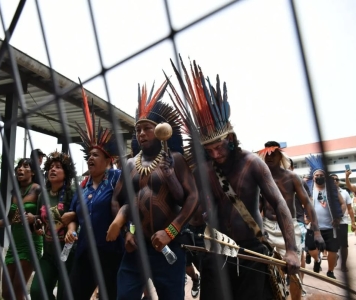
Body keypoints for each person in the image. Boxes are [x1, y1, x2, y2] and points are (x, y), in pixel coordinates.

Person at [165, 56, 299, 300]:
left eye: (219, 147)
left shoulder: (253, 163)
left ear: (231, 139)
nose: (215, 154)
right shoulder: (203, 170)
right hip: (216, 253)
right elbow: (188, 204)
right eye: (209, 150)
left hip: (252, 251)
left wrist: (291, 250)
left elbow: (279, 204)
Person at [106, 81, 199, 300]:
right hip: (136, 248)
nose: (142, 133)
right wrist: (125, 233)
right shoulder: (129, 164)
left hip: (169, 246)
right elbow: (115, 201)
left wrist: (171, 231)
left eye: (148, 128)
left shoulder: (174, 160)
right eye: (138, 129)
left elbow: (193, 196)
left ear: (160, 131)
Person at [63, 85, 124, 300]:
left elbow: (130, 205)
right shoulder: (83, 187)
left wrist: (119, 224)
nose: (90, 158)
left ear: (109, 160)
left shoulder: (117, 179)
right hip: (85, 252)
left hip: (111, 253)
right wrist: (71, 228)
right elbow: (73, 215)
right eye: (88, 155)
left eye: (96, 155)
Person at [258, 142, 324, 299]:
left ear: (280, 155)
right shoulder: (259, 178)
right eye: (266, 155)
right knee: (273, 271)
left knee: (294, 270)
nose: (269, 157)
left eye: (273, 154)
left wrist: (317, 232)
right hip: (267, 226)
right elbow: (258, 205)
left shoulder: (292, 177)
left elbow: (307, 204)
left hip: (290, 227)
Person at [30, 151, 77, 300]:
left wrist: (73, 223)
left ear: (66, 172)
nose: (53, 170)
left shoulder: (72, 193)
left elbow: (79, 216)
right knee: (37, 291)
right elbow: (40, 218)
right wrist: (36, 223)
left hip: (68, 255)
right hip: (48, 255)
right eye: (50, 167)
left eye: (57, 167)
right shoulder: (43, 195)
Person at [0, 158, 43, 300]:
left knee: (17, 291)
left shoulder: (38, 189)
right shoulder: (15, 193)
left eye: (25, 166)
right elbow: (10, 219)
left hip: (30, 245)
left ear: (33, 172)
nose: (20, 169)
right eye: (19, 166)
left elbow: (45, 215)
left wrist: (33, 218)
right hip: (13, 247)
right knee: (6, 294)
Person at [304, 155, 345, 279]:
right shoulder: (309, 189)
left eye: (322, 175)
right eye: (317, 175)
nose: (319, 177)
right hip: (313, 227)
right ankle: (317, 260)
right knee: (310, 248)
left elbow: (342, 203)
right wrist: (306, 216)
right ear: (313, 177)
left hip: (330, 226)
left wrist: (339, 216)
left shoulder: (332, 190)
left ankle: (330, 272)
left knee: (333, 250)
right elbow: (304, 203)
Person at [329, 173, 355, 272]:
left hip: (342, 222)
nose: (335, 181)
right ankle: (334, 257)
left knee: (344, 245)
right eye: (332, 180)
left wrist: (353, 222)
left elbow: (350, 208)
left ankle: (343, 264)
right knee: (332, 245)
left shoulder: (345, 193)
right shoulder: (325, 192)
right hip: (329, 223)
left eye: (337, 179)